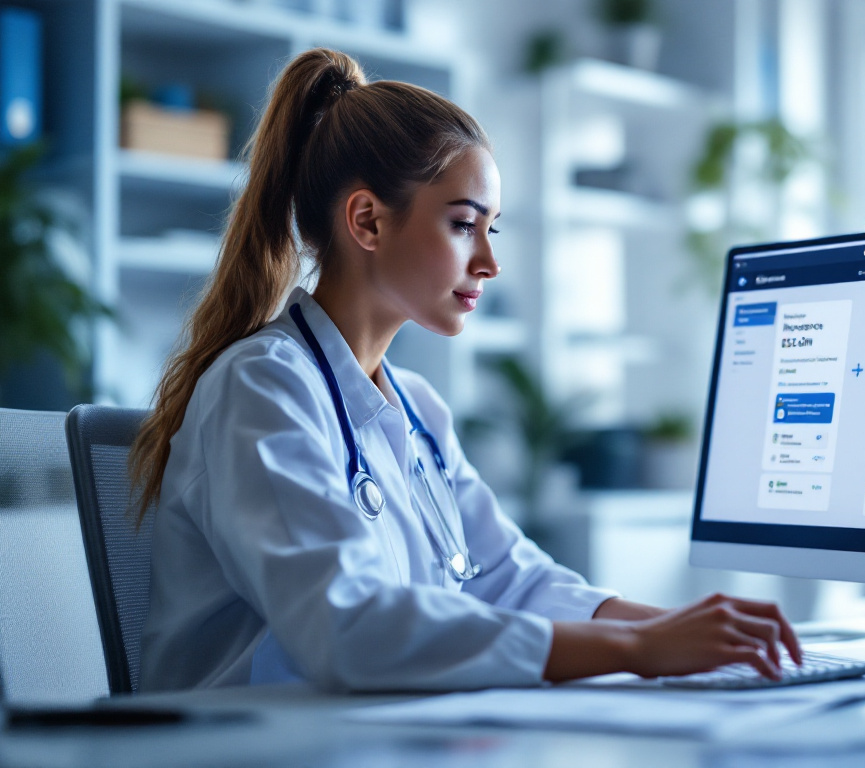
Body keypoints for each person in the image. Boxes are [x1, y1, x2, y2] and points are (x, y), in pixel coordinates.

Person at [130, 48, 801, 692]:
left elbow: (511, 582)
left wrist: (694, 633)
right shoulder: (262, 387)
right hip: (249, 742)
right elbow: (347, 626)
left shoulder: (417, 407)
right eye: (462, 224)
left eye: (492, 229)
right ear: (367, 220)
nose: (489, 261)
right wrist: (642, 651)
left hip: (374, 734)